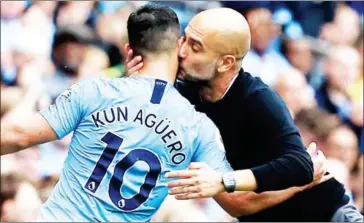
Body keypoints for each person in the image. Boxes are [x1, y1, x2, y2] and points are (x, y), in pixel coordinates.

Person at [126, 7, 364, 222]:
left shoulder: (258, 98)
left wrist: (223, 181)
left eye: (195, 47)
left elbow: (300, 164)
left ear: (225, 63)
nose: (181, 51)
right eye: (184, 40)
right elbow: (237, 204)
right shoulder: (183, 97)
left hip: (326, 214)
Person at [0, 4, 232, 222]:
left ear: (129, 51)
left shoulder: (94, 91)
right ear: (180, 49)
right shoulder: (197, 126)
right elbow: (240, 202)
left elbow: (17, 135)